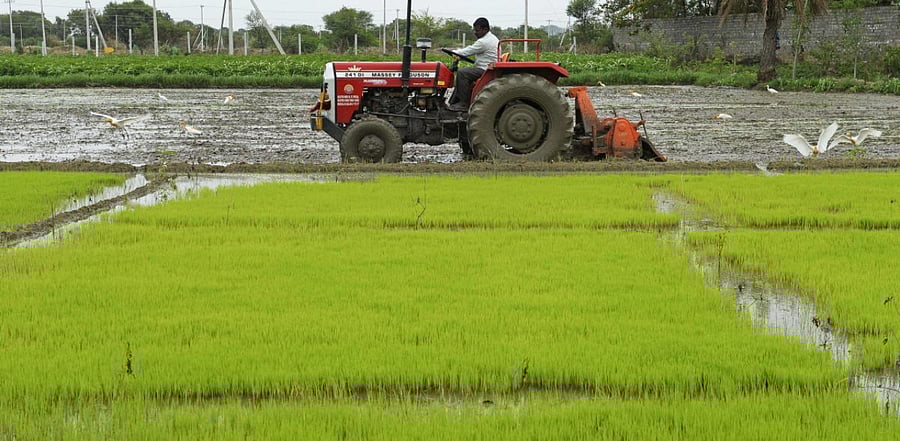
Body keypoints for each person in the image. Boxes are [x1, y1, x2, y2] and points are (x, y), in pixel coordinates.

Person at [446, 17, 499, 112]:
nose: (475, 32)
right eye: (474, 30)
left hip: (485, 69)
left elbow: (468, 51)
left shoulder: (484, 42)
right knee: (465, 72)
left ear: (485, 29)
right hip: (486, 66)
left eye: (477, 30)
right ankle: (453, 102)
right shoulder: (491, 38)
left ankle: (463, 104)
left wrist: (453, 52)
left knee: (462, 73)